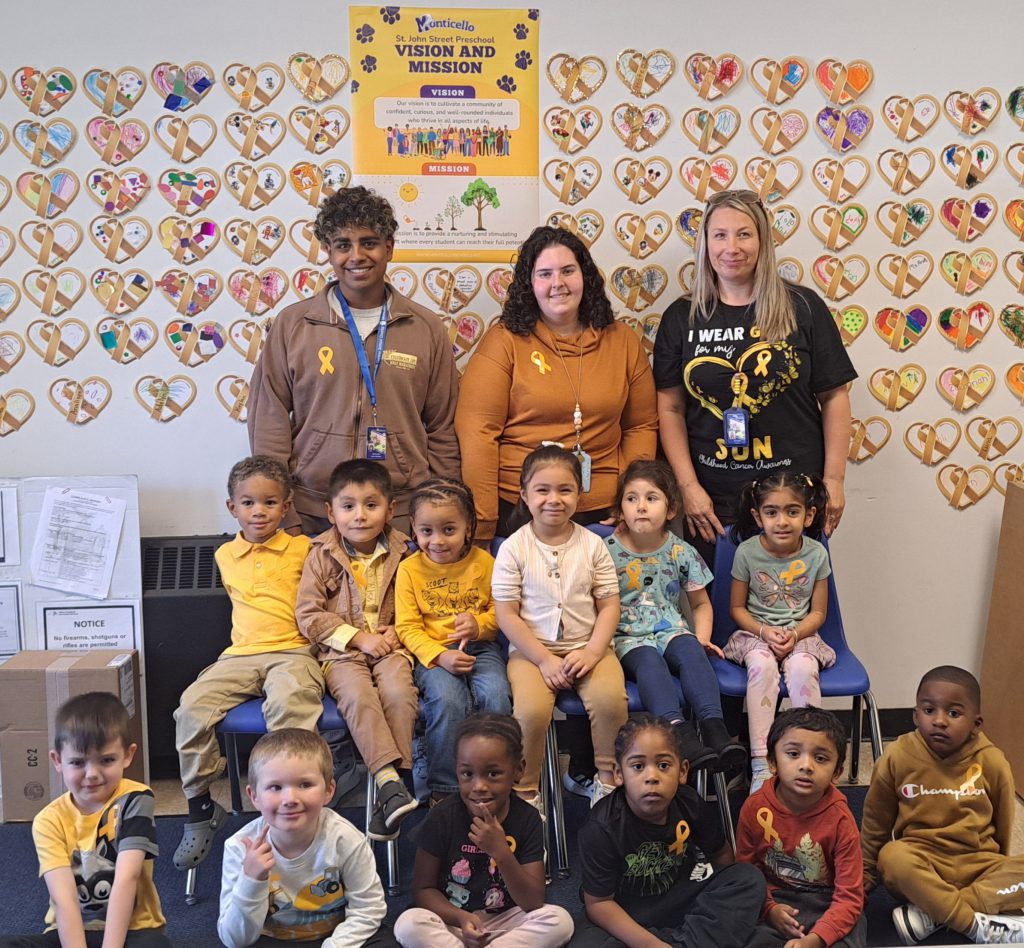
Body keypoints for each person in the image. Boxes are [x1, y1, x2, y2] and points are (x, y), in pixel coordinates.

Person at [653, 189, 855, 566]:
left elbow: (834, 396)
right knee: (720, 615)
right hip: (713, 506)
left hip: (793, 500)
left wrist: (835, 480)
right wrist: (688, 487)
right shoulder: (682, 318)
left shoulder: (803, 307)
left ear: (763, 240)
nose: (732, 247)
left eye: (744, 234)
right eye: (720, 235)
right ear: (705, 243)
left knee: (792, 616)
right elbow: (670, 408)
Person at [247, 185, 460, 534]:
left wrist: (441, 508)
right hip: (313, 509)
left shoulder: (425, 328)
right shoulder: (294, 325)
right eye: (343, 245)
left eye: (369, 242)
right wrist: (284, 511)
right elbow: (268, 421)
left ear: (389, 248)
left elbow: (443, 428)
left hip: (401, 512)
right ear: (328, 251)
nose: (357, 255)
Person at [456, 225, 657, 544]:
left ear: (585, 277)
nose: (558, 284)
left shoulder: (623, 341)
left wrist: (632, 498)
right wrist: (482, 521)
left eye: (567, 271)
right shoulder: (504, 341)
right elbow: (478, 431)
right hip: (522, 512)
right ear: (529, 284)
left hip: (606, 514)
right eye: (545, 274)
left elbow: (641, 425)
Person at [174, 456, 324, 870]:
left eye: (270, 502)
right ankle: (201, 806)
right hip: (239, 657)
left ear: (287, 505)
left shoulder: (306, 547)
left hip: (293, 653)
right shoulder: (225, 555)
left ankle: (288, 809)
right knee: (190, 709)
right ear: (232, 508)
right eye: (248, 503)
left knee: (291, 707)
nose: (259, 511)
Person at [492, 445, 628, 808]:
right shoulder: (513, 548)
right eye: (543, 490)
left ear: (579, 494)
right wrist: (543, 660)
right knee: (531, 712)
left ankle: (608, 784)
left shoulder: (594, 545)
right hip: (532, 651)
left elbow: (609, 605)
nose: (554, 499)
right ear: (524, 495)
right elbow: (506, 614)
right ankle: (525, 796)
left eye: (565, 490)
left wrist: (593, 651)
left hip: (588, 645)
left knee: (610, 700)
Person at [295, 459, 419, 840]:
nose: (360, 515)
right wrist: (357, 637)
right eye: (348, 506)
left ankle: (392, 790)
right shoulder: (321, 554)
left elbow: (421, 604)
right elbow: (308, 615)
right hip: (342, 653)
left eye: (371, 505)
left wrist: (400, 631)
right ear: (330, 512)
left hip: (392, 649)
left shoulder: (408, 553)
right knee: (359, 698)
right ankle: (389, 781)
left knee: (399, 694)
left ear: (391, 510)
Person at [861, 666, 1024, 945]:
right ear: (915, 715)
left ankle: (933, 915)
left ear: (976, 722)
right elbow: (876, 818)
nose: (939, 721)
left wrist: (997, 870)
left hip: (979, 867)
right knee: (892, 857)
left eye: (954, 713)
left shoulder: (993, 761)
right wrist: (865, 870)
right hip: (922, 867)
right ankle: (974, 924)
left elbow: (1004, 824)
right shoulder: (897, 756)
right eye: (928, 710)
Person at [570, 715, 765, 948]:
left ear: (682, 771)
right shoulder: (601, 827)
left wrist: (721, 896)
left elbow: (721, 857)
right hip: (625, 911)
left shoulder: (689, 802)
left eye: (663, 765)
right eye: (638, 766)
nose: (652, 777)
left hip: (681, 897)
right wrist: (652, 944)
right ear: (619, 774)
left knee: (748, 878)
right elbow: (599, 904)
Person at [606, 458, 746, 773]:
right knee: (650, 662)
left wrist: (703, 639)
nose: (640, 506)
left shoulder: (680, 551)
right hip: (628, 637)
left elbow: (700, 604)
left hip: (670, 630)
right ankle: (679, 733)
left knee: (691, 651)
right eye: (631, 499)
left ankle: (715, 730)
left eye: (651, 498)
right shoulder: (605, 552)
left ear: (670, 510)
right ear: (621, 509)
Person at [0, 693, 170, 948]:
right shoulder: (48, 820)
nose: (92, 774)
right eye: (78, 762)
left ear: (127, 755)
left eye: (106, 760)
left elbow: (127, 878)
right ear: (57, 760)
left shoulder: (135, 799)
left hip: (131, 932)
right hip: (68, 933)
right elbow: (64, 897)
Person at [394, 714, 574, 947]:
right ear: (456, 771)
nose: (479, 786)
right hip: (454, 922)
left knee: (560, 921)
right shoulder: (441, 817)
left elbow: (532, 901)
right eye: (468, 774)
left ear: (518, 770)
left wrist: (501, 852)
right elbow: (422, 889)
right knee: (409, 924)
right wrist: (461, 918)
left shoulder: (527, 818)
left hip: (507, 921)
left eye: (493, 774)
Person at [218, 729, 395, 948]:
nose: (290, 799)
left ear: (329, 790)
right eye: (275, 787)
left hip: (336, 937)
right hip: (272, 939)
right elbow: (234, 939)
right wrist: (251, 879)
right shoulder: (240, 847)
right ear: (254, 796)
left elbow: (369, 909)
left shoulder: (346, 839)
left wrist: (335, 945)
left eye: (304, 785)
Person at [395, 478, 511, 805]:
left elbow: (500, 612)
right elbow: (407, 627)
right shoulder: (409, 570)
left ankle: (496, 775)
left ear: (468, 528)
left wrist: (479, 626)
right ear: (414, 531)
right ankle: (445, 788)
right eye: (426, 531)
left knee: (496, 696)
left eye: (449, 529)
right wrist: (439, 657)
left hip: (482, 648)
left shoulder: (485, 563)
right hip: (433, 654)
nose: (437, 541)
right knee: (448, 701)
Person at [725, 472, 837, 794]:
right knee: (761, 666)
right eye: (771, 512)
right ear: (757, 516)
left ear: (809, 514)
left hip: (801, 636)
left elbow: (818, 613)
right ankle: (762, 762)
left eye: (792, 511)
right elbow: (737, 610)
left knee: (803, 668)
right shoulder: (746, 552)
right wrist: (765, 631)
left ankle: (810, 755)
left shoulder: (816, 554)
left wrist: (795, 634)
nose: (782, 521)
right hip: (756, 634)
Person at [737, 707, 866, 948]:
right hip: (775, 899)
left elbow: (850, 895)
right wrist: (769, 910)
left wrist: (816, 939)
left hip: (828, 902)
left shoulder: (840, 819)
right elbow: (746, 872)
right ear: (773, 762)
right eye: (793, 754)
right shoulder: (754, 808)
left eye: (820, 758)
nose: (806, 765)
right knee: (742, 934)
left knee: (851, 932)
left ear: (837, 773)